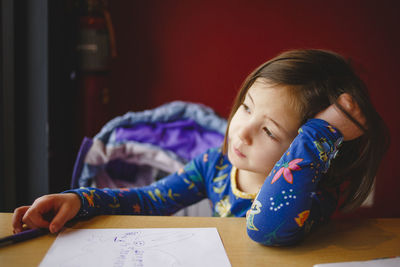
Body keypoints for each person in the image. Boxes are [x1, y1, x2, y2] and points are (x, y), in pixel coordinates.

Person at [12, 49, 389, 246]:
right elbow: (150, 200)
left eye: (270, 132)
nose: (240, 133)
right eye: (245, 108)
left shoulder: (310, 196)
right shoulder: (216, 165)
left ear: (310, 151)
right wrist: (81, 201)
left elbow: (264, 229)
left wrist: (321, 132)